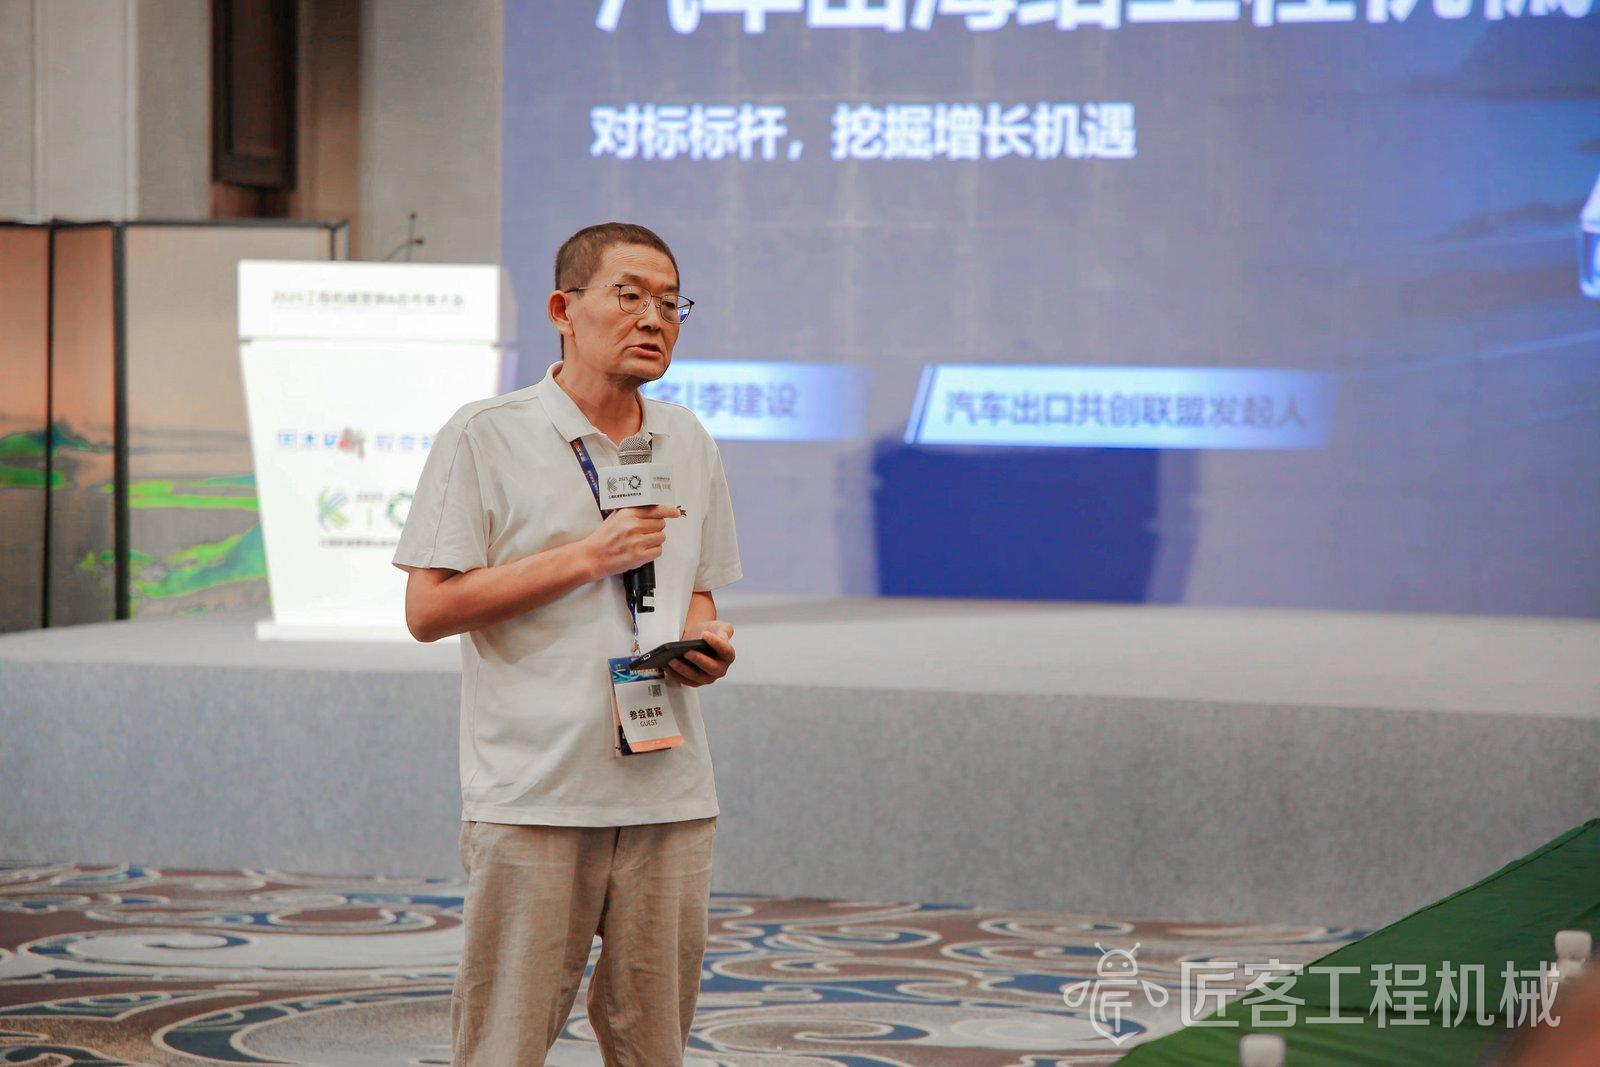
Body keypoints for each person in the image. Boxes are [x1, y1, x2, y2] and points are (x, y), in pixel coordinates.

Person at [391, 222, 741, 1065]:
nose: (653, 317)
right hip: (537, 792)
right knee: (504, 1043)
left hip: (668, 791)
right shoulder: (486, 433)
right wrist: (588, 556)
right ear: (562, 309)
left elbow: (697, 587)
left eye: (671, 302)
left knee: (654, 1045)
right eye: (630, 295)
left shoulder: (687, 438)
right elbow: (429, 610)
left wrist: (704, 641)